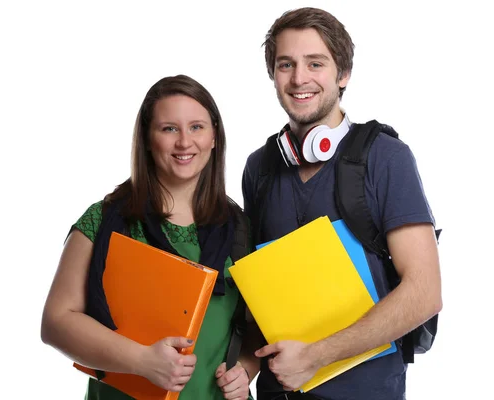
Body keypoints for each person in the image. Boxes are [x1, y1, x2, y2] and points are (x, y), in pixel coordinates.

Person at [241, 7, 442, 400]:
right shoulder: (259, 167)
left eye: (315, 63)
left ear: (343, 74)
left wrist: (317, 355)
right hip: (276, 390)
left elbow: (425, 292)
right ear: (273, 75)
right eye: (286, 64)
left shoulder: (386, 157)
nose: (299, 78)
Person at [41, 74, 257, 400]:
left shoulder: (238, 227)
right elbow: (56, 322)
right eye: (169, 128)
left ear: (214, 136)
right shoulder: (105, 220)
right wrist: (141, 360)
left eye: (197, 127)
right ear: (147, 138)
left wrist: (245, 369)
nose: (185, 142)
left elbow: (260, 326)